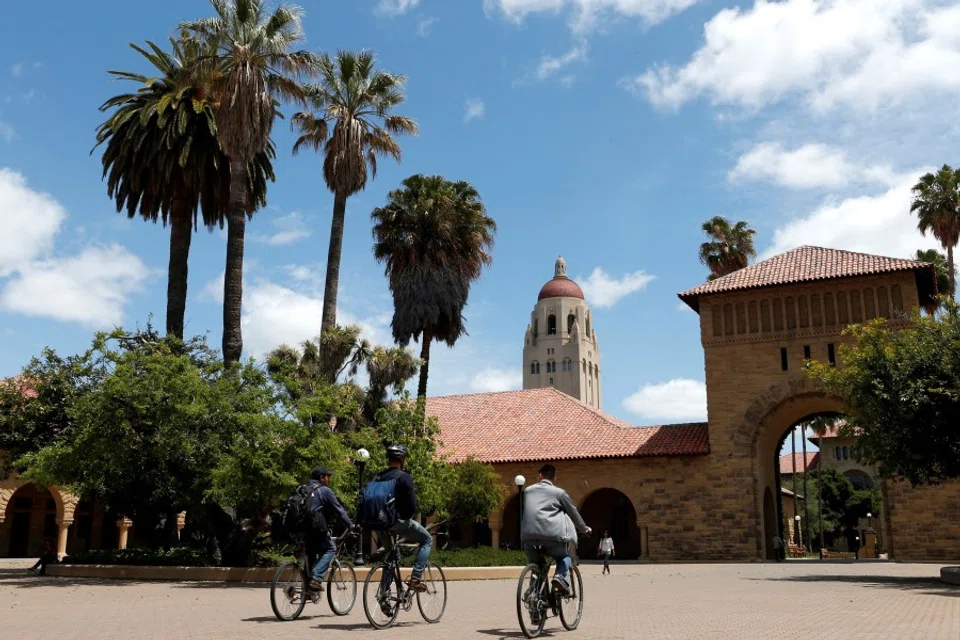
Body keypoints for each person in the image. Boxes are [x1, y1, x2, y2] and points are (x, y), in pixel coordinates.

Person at [520, 464, 591, 597]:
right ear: (554, 478)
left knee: (537, 567)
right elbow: (573, 513)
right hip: (552, 538)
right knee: (565, 557)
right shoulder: (559, 493)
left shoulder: (528, 491)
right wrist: (584, 529)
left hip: (528, 538)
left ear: (540, 476)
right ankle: (560, 578)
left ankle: (534, 603)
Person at [373, 444, 431, 592]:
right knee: (427, 540)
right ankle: (415, 579)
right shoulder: (404, 477)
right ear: (403, 459)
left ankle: (384, 593)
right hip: (396, 521)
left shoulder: (378, 477)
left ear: (389, 459)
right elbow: (411, 505)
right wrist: (406, 516)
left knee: (392, 555)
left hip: (378, 523)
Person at [304, 466, 353, 595]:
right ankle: (316, 579)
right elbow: (339, 510)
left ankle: (308, 590)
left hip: (299, 528)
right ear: (321, 478)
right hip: (316, 528)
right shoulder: (324, 491)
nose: (329, 479)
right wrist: (350, 525)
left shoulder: (302, 489)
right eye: (328, 477)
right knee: (331, 549)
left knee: (311, 553)